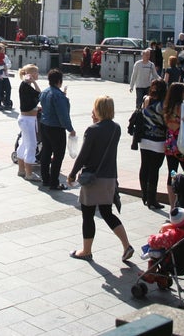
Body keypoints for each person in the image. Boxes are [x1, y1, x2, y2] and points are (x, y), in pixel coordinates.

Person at [67, 95, 133, 262]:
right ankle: (126, 245)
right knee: (107, 212)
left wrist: (73, 173)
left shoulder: (92, 130)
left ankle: (86, 251)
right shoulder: (116, 128)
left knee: (88, 215)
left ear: (98, 110)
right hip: (110, 177)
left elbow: (83, 155)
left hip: (93, 178)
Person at [129, 80, 167, 209]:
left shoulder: (146, 99)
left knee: (144, 166)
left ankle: (144, 196)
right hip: (159, 140)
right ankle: (152, 199)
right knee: (154, 169)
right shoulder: (164, 104)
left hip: (144, 139)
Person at [39, 69, 75, 191]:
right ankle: (54, 182)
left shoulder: (44, 92)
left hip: (44, 125)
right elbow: (63, 115)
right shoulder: (58, 96)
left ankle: (45, 179)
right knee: (58, 155)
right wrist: (70, 129)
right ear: (59, 81)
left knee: (46, 152)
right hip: (56, 128)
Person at [162, 82, 184, 208]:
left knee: (172, 172)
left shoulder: (166, 107)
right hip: (182, 145)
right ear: (180, 93)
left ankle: (172, 205)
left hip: (170, 144)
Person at [16, 64, 41, 181]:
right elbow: (39, 93)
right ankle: (29, 174)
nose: (38, 74)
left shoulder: (25, 85)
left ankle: (21, 170)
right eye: (36, 72)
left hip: (25, 119)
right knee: (31, 145)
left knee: (24, 144)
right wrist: (33, 82)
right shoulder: (26, 85)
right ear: (30, 74)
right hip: (28, 120)